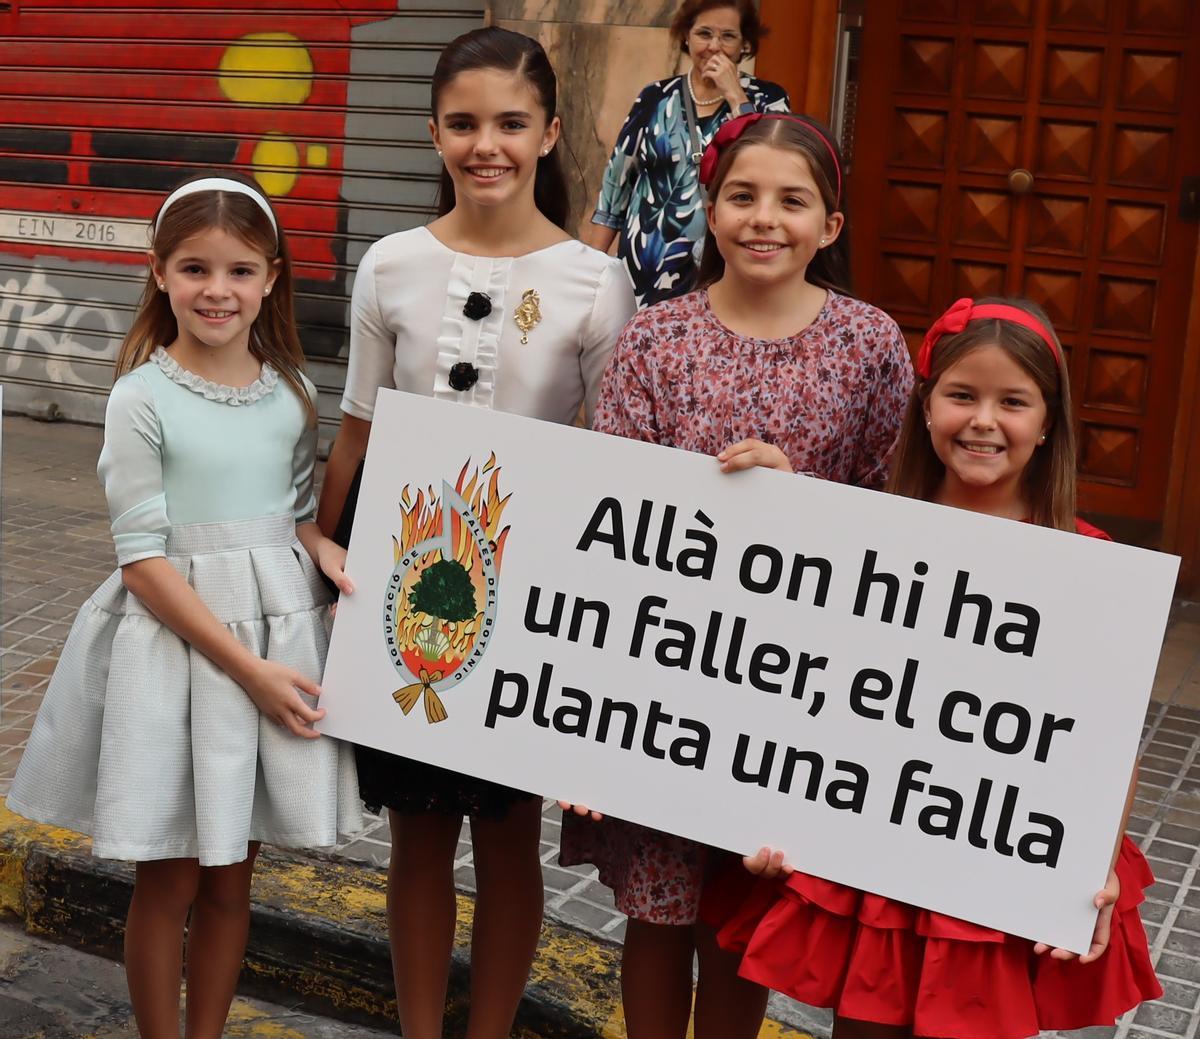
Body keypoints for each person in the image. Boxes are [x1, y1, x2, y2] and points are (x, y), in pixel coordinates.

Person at [704, 297, 1164, 1039]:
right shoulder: (865, 537)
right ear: (925, 409)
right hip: (874, 860)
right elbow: (804, 688)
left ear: (1048, 422)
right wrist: (772, 512)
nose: (983, 420)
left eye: (1012, 401)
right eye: (961, 395)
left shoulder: (1091, 567)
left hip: (994, 869)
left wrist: (1097, 863)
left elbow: (1106, 743)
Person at [559, 112, 914, 1039]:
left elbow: (899, 518)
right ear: (708, 214)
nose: (766, 219)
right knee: (657, 901)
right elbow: (607, 516)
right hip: (663, 671)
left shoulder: (872, 346)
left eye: (793, 201)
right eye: (742, 197)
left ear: (830, 225)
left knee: (737, 906)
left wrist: (796, 510)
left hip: (797, 684)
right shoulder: (656, 338)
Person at [316, 26, 636, 1039]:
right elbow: (356, 434)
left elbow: (615, 462)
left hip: (532, 584)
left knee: (507, 835)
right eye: (463, 123)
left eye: (509, 122)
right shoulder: (392, 264)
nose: (484, 143)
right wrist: (324, 574)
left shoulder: (595, 283)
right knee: (416, 838)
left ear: (547, 133)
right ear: (433, 132)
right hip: (403, 574)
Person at [6, 173, 362, 1039]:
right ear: (159, 272)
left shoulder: (292, 391)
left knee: (235, 872)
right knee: (168, 877)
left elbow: (286, 514)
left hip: (274, 640)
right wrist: (249, 673)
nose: (217, 289)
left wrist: (324, 547)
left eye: (240, 270)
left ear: (272, 277)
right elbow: (142, 563)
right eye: (195, 268)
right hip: (178, 651)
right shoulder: (140, 397)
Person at [583, 0, 789, 308]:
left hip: (718, 271)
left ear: (745, 44)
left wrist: (736, 97)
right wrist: (589, 271)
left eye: (728, 36)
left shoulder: (768, 100)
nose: (714, 46)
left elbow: (772, 168)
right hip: (643, 268)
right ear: (686, 36)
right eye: (704, 33)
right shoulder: (654, 97)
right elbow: (616, 184)